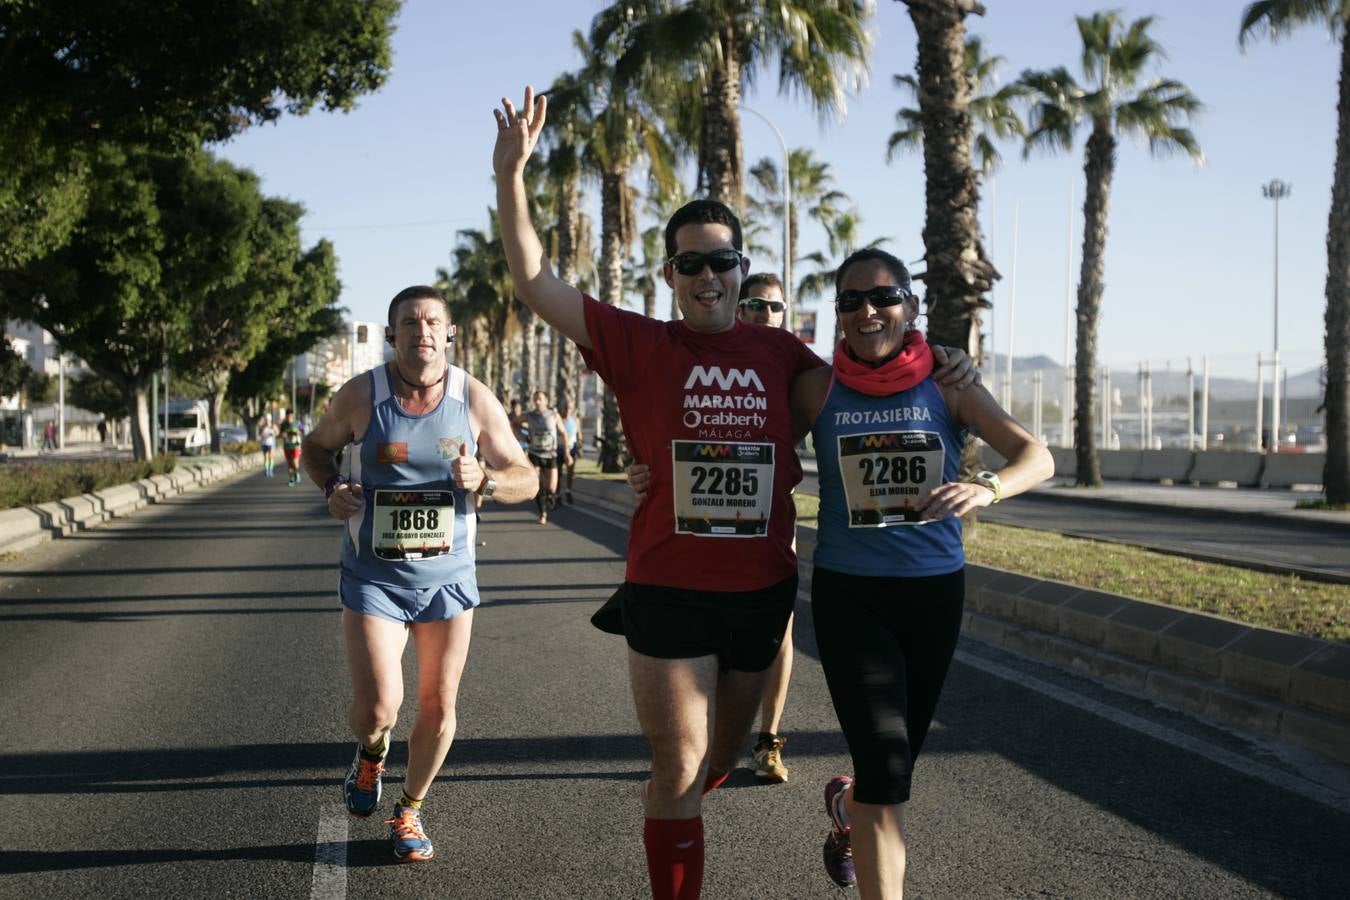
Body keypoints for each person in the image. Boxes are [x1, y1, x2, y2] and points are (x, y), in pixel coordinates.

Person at [492, 87, 975, 900]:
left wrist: (941, 360)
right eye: (691, 263)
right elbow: (538, 283)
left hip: (758, 594)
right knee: (679, 764)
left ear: (742, 270)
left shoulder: (785, 356)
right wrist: (511, 177)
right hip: (666, 586)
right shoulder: (640, 343)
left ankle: (783, 807)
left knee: (716, 760)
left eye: (722, 261)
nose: (708, 276)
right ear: (670, 274)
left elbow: (879, 384)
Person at [795, 249, 1051, 897]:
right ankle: (864, 816)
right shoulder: (818, 389)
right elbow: (750, 445)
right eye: (851, 301)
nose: (868, 311)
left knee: (895, 764)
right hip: (850, 595)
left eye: (883, 297)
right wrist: (651, 468)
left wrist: (988, 487)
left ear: (910, 306)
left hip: (933, 594)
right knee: (885, 770)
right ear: (838, 314)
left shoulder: (948, 383)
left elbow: (1036, 455)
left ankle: (848, 807)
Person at [301, 285, 535, 863]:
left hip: (448, 579)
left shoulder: (472, 398)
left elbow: (525, 475)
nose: (421, 331)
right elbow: (315, 449)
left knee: (439, 706)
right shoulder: (362, 395)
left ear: (449, 334)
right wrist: (332, 486)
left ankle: (409, 810)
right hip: (374, 576)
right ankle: (371, 753)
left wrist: (487, 480)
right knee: (379, 709)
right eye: (409, 322)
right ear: (392, 336)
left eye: (432, 321)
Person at [736, 272, 793, 782]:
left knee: (779, 631)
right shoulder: (706, 357)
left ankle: (768, 741)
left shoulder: (797, 364)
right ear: (738, 310)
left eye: (774, 307)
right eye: (755, 305)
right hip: (710, 518)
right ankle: (711, 733)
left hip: (773, 520)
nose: (764, 314)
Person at [523, 390, 572, 524]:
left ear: (546, 401)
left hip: (551, 454)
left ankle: (550, 496)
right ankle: (542, 513)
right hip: (535, 454)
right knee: (538, 484)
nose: (537, 402)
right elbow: (513, 424)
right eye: (535, 399)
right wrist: (524, 436)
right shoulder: (529, 416)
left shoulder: (554, 415)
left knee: (551, 487)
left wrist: (567, 453)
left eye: (540, 399)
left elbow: (564, 433)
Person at [556, 398, 582, 504]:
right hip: (559, 449)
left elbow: (579, 433)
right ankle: (557, 494)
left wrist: (580, 441)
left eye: (570, 408)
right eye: (565, 408)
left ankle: (568, 491)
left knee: (570, 472)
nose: (567, 410)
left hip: (572, 449)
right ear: (562, 408)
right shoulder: (558, 419)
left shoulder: (575, 420)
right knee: (558, 473)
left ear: (573, 409)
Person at [280, 410, 303, 485]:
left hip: (296, 446)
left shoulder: (297, 423)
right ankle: (291, 480)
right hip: (287, 446)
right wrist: (283, 434)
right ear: (286, 416)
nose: (289, 417)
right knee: (290, 464)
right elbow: (281, 434)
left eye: (291, 416)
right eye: (288, 416)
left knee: (295, 463)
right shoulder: (283, 424)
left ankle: (296, 473)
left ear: (293, 416)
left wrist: (297, 432)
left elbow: (302, 431)